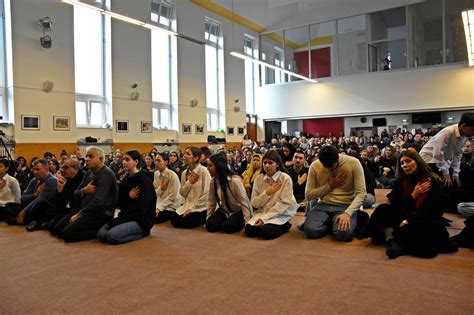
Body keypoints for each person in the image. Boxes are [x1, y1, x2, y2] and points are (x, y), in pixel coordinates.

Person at [367, 148, 457, 259]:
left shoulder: (431, 180)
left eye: (408, 161)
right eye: (402, 163)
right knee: (383, 209)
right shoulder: (400, 181)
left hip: (422, 219)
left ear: (417, 161)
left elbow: (432, 210)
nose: (404, 165)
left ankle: (394, 241)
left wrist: (408, 220)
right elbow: (397, 206)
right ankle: (396, 240)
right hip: (403, 216)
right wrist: (413, 196)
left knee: (430, 242)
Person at [301, 145, 366, 242]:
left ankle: (333, 224)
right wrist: (330, 185)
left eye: (331, 167)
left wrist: (347, 214)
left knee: (344, 234)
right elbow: (308, 195)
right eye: (325, 166)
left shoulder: (354, 163)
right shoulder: (315, 165)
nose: (328, 170)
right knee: (311, 231)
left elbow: (362, 194)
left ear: (337, 159)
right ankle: (332, 225)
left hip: (345, 205)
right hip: (323, 205)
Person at [54, 146, 118, 242]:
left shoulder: (106, 174)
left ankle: (98, 230)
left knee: (66, 234)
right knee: (57, 229)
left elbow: (98, 201)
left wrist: (79, 215)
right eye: (86, 156)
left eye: (91, 156)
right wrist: (85, 190)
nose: (86, 159)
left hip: (101, 214)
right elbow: (76, 193)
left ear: (100, 159)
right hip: (86, 210)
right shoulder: (89, 172)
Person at [97, 150, 156, 244]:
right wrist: (129, 197)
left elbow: (144, 208)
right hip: (126, 216)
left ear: (136, 162)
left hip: (141, 220)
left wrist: (128, 199)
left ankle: (143, 233)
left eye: (127, 159)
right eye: (123, 159)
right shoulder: (125, 180)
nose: (124, 162)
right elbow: (120, 203)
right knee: (101, 234)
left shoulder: (144, 180)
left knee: (111, 236)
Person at [245, 150, 297, 240]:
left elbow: (283, 204)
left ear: (277, 164)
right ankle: (263, 225)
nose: (267, 166)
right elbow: (254, 203)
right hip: (263, 212)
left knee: (266, 232)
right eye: (265, 163)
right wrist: (267, 193)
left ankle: (284, 226)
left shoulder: (285, 178)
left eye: (270, 163)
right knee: (249, 230)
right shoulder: (258, 179)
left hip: (281, 215)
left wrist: (264, 219)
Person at [420, 112, 474, 188]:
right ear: (463, 126)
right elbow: (437, 154)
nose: (473, 133)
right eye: (473, 130)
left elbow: (457, 154)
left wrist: (456, 173)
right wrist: (446, 174)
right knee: (446, 183)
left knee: (461, 176)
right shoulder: (447, 132)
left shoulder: (465, 136)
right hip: (429, 160)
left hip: (441, 160)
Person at [206, 153, 252, 233]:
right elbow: (211, 201)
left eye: (210, 166)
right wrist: (208, 217)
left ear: (219, 166)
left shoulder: (235, 181)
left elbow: (244, 202)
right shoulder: (213, 181)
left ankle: (230, 222)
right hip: (224, 210)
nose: (207, 168)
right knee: (210, 226)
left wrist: (247, 223)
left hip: (238, 211)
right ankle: (226, 220)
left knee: (227, 227)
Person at [4, 159, 57, 228]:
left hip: (44, 209)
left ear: (46, 169)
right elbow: (22, 197)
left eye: (38, 169)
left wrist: (23, 212)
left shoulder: (52, 180)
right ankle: (26, 219)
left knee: (40, 202)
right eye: (33, 169)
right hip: (30, 206)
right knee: (9, 205)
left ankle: (24, 219)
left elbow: (41, 199)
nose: (34, 172)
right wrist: (34, 194)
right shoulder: (34, 180)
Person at [171, 147, 211, 229]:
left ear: (196, 158)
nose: (184, 156)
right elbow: (182, 193)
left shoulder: (204, 171)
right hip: (187, 204)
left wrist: (193, 208)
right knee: (174, 220)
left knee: (186, 222)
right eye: (184, 153)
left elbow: (207, 194)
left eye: (188, 154)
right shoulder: (184, 173)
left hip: (201, 206)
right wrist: (189, 183)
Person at [47, 158, 85, 234]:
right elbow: (61, 204)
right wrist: (60, 189)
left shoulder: (84, 178)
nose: (62, 170)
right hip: (72, 209)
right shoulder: (69, 178)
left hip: (81, 211)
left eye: (65, 167)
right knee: (48, 211)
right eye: (62, 167)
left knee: (57, 229)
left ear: (75, 168)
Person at [154, 152, 182, 224]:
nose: (156, 163)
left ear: (166, 162)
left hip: (171, 205)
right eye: (155, 161)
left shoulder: (172, 175)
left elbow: (172, 197)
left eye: (159, 161)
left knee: (153, 218)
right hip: (159, 202)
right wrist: (161, 189)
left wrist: (159, 207)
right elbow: (154, 193)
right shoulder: (155, 174)